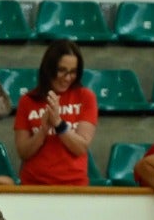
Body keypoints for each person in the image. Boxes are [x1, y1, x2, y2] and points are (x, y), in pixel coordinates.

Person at [14, 41, 97, 187]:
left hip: (73, 185)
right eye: (61, 70)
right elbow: (23, 152)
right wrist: (43, 130)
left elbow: (80, 147)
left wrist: (59, 123)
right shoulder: (27, 101)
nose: (67, 78)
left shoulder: (86, 97)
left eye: (73, 72)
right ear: (49, 69)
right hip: (34, 185)